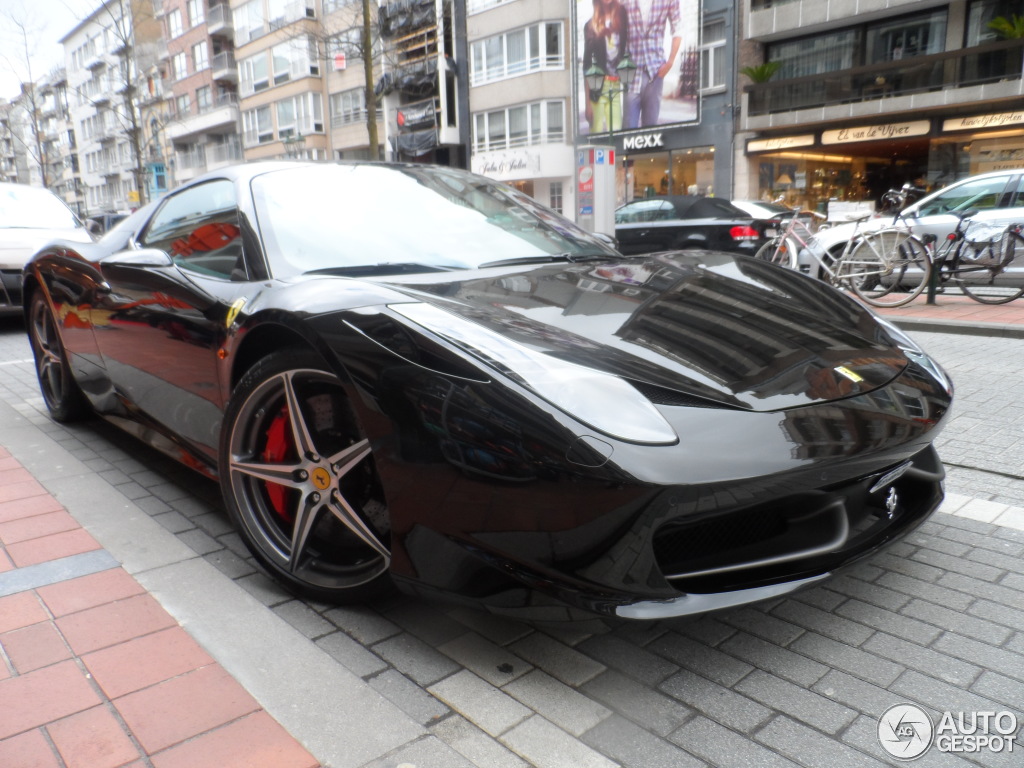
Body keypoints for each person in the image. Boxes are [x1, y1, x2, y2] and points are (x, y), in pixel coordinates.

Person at [621, 0, 682, 129]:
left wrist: (670, 62)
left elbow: (678, 28)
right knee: (627, 130)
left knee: (651, 132)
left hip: (655, 71)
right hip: (631, 72)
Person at [582, 0, 630, 134]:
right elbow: (587, 66)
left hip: (615, 86)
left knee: (616, 135)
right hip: (597, 87)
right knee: (596, 133)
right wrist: (587, 104)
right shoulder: (590, 26)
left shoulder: (622, 16)